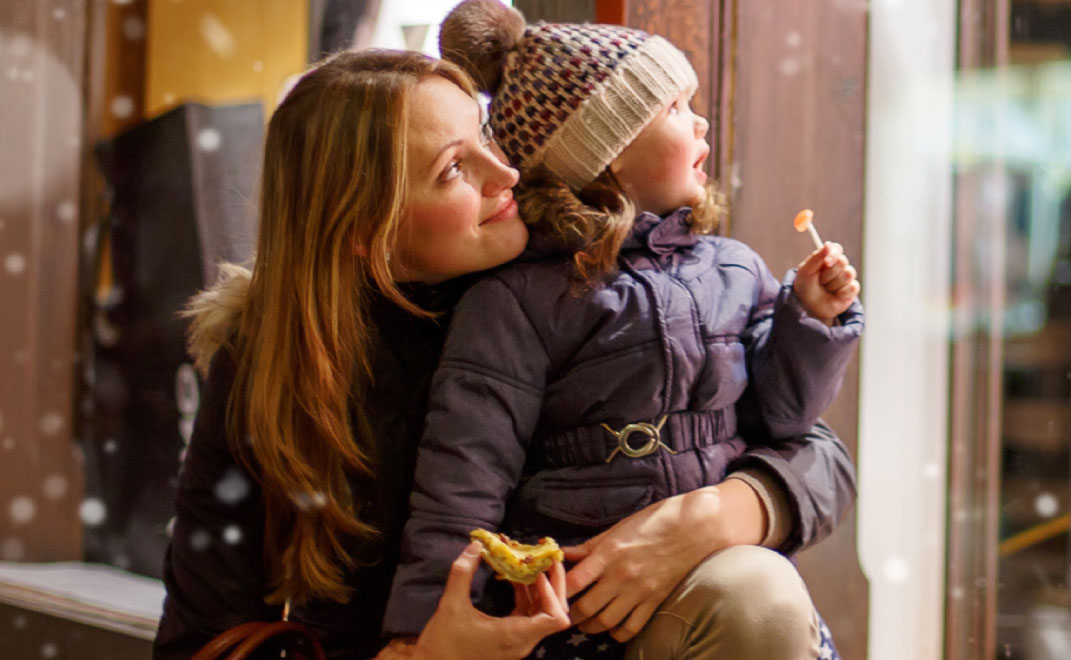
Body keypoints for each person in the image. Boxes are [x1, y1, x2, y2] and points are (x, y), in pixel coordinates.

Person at [154, 47, 857, 660]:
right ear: (365, 230)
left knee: (754, 594)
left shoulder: (576, 278)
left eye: (487, 135)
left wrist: (719, 514)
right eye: (455, 169)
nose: (508, 174)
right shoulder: (268, 366)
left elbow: (811, 445)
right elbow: (199, 638)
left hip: (619, 634)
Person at [382, 3, 863, 659]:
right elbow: (461, 479)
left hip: (712, 585)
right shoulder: (516, 300)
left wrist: (808, 320)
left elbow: (785, 419)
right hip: (581, 611)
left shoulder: (733, 267)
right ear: (605, 155)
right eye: (672, 108)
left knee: (761, 599)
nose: (701, 123)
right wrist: (422, 629)